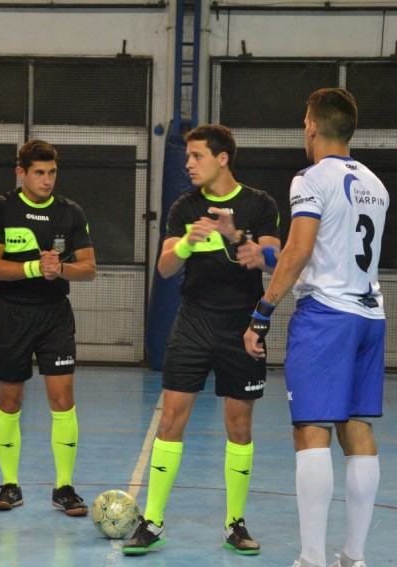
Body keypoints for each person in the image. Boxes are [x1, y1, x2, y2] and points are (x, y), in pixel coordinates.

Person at [244, 88, 388, 567]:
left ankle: (311, 559)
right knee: (357, 429)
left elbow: (301, 250)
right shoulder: (375, 183)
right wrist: (269, 255)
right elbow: (329, 250)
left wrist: (262, 313)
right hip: (370, 315)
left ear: (311, 126)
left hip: (326, 317)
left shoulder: (309, 179)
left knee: (311, 432)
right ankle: (354, 556)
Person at [124, 124, 281, 556]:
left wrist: (236, 236)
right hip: (192, 321)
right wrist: (189, 245)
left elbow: (276, 261)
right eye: (187, 157)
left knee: (239, 426)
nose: (188, 163)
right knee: (171, 420)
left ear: (222, 158)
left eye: (196, 156)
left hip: (241, 326)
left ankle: (235, 523)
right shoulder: (184, 206)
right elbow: (165, 268)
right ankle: (152, 521)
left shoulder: (258, 204)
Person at [0, 139, 97, 517]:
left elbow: (90, 268)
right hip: (11, 314)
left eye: (52, 173)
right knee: (9, 401)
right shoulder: (0, 209)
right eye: (39, 173)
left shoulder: (71, 212)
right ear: (21, 173)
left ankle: (63, 487)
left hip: (54, 315)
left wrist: (60, 270)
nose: (47, 180)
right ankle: (9, 484)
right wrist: (34, 268)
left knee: (63, 400)